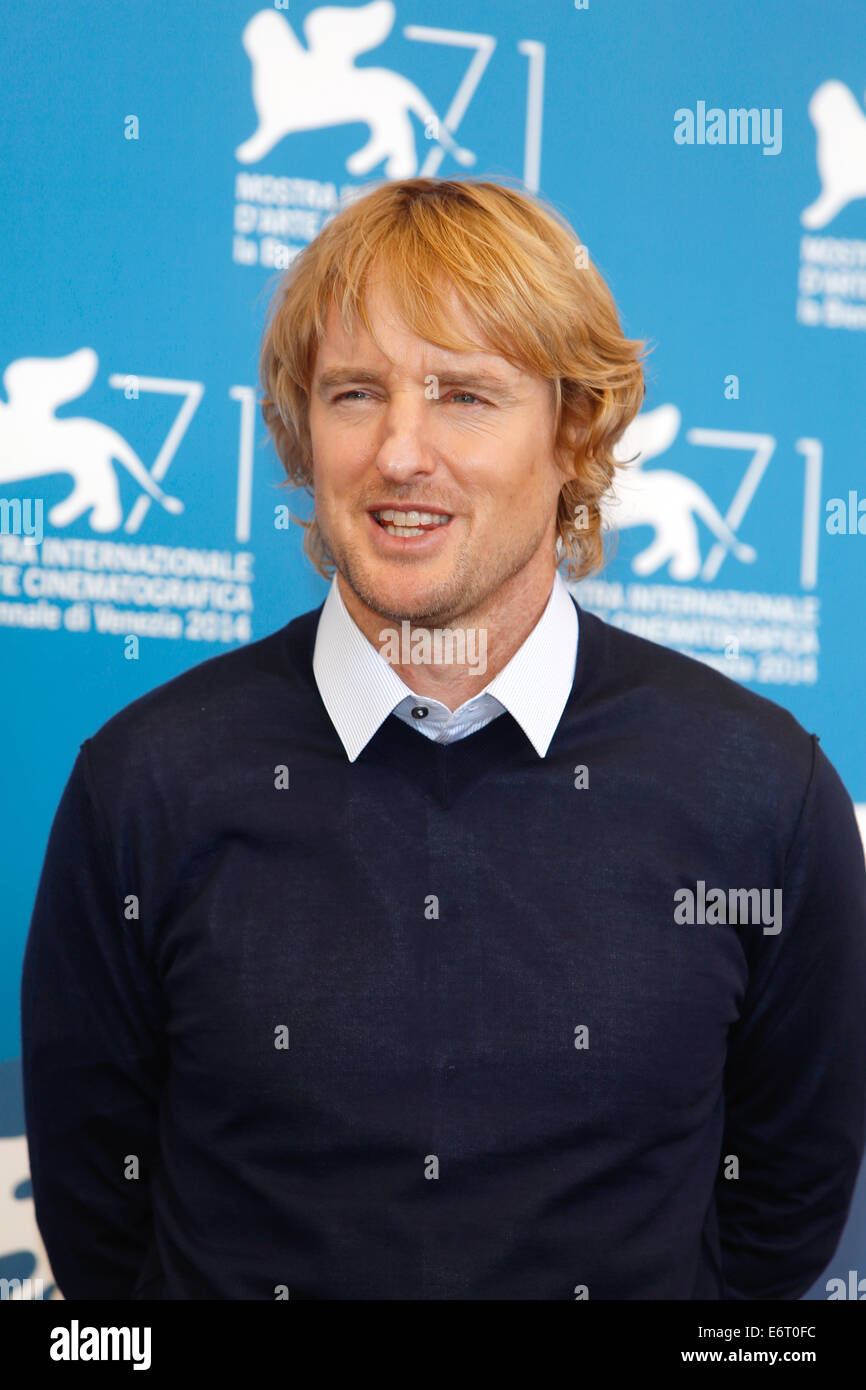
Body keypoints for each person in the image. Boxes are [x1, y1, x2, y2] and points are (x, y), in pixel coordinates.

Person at [21, 178, 866, 1300]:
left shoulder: (762, 792)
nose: (399, 453)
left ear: (573, 432)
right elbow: (99, 1217)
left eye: (463, 395)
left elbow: (785, 1196)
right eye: (355, 392)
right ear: (301, 429)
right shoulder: (146, 779)